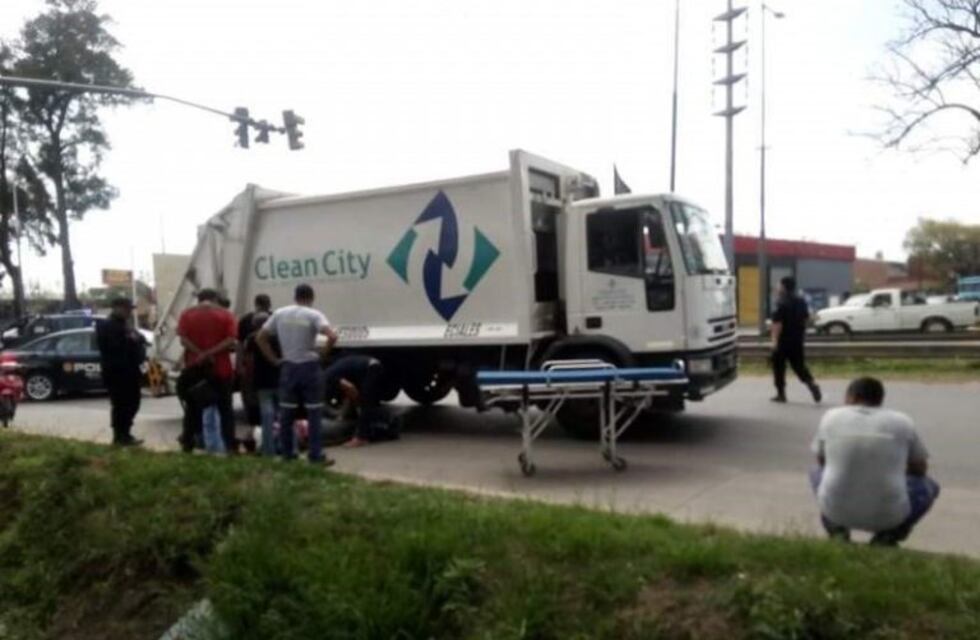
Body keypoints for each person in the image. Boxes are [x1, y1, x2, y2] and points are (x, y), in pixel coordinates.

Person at [809, 377, 940, 546]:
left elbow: (821, 460)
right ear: (880, 400)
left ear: (852, 397)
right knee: (929, 487)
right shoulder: (902, 421)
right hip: (889, 516)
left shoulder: (831, 417)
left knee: (815, 473)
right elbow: (920, 469)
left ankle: (837, 532)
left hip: (836, 511)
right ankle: (889, 536)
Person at [256, 283, 338, 465]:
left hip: (288, 367)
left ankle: (288, 454)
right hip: (309, 367)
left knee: (287, 414)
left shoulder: (280, 314)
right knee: (314, 412)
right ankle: (315, 456)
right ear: (311, 297)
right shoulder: (314, 315)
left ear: (295, 296)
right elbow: (332, 336)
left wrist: (274, 360)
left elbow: (260, 337)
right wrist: (323, 355)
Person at [176, 289, 238, 452]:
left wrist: (199, 353)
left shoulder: (186, 314)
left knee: (192, 409)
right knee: (226, 410)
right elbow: (231, 339)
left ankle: (187, 444)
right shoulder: (226, 315)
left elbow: (183, 339)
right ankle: (229, 446)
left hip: (194, 369)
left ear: (198, 299)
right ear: (216, 298)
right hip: (221, 369)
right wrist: (211, 353)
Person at [95, 297, 146, 446]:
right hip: (117, 371)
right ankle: (120, 436)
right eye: (127, 309)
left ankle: (126, 432)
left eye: (130, 309)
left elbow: (140, 339)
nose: (129, 312)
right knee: (121, 404)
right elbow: (114, 346)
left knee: (133, 403)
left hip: (131, 370)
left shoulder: (126, 325)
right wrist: (131, 339)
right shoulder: (107, 325)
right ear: (117, 308)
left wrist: (134, 338)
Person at [324, 354, 400, 448]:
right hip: (370, 367)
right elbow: (347, 396)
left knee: (366, 404)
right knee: (368, 404)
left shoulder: (328, 377)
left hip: (371, 369)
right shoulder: (330, 374)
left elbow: (351, 388)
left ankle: (361, 438)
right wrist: (342, 416)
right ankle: (388, 420)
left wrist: (358, 404)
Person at [770, 276, 821, 403]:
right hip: (797, 340)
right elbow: (807, 319)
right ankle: (811, 384)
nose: (777, 287)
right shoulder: (801, 301)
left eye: (779, 285)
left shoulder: (781, 302)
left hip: (783, 341)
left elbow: (777, 324)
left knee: (779, 367)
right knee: (799, 366)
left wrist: (774, 341)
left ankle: (781, 394)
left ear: (783, 287)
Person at [247, 310, 281, 456]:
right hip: (279, 378)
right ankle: (286, 445)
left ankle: (268, 449)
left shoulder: (252, 338)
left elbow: (248, 360)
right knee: (282, 414)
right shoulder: (277, 337)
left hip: (261, 380)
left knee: (266, 414)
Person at [238, 294, 272, 429]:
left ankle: (256, 422)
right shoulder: (274, 318)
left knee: (252, 396)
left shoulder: (246, 321)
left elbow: (240, 345)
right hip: (271, 366)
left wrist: (240, 365)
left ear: (255, 304)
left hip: (253, 367)